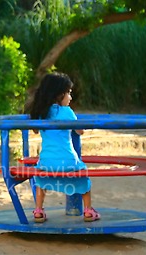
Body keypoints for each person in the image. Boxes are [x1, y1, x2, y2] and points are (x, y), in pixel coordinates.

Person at [27, 72, 100, 223]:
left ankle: (39, 210)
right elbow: (80, 131)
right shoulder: (67, 112)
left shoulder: (41, 113)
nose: (70, 98)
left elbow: (35, 130)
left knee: (40, 180)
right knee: (83, 177)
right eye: (69, 93)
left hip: (47, 162)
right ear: (59, 95)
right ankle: (88, 210)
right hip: (69, 162)